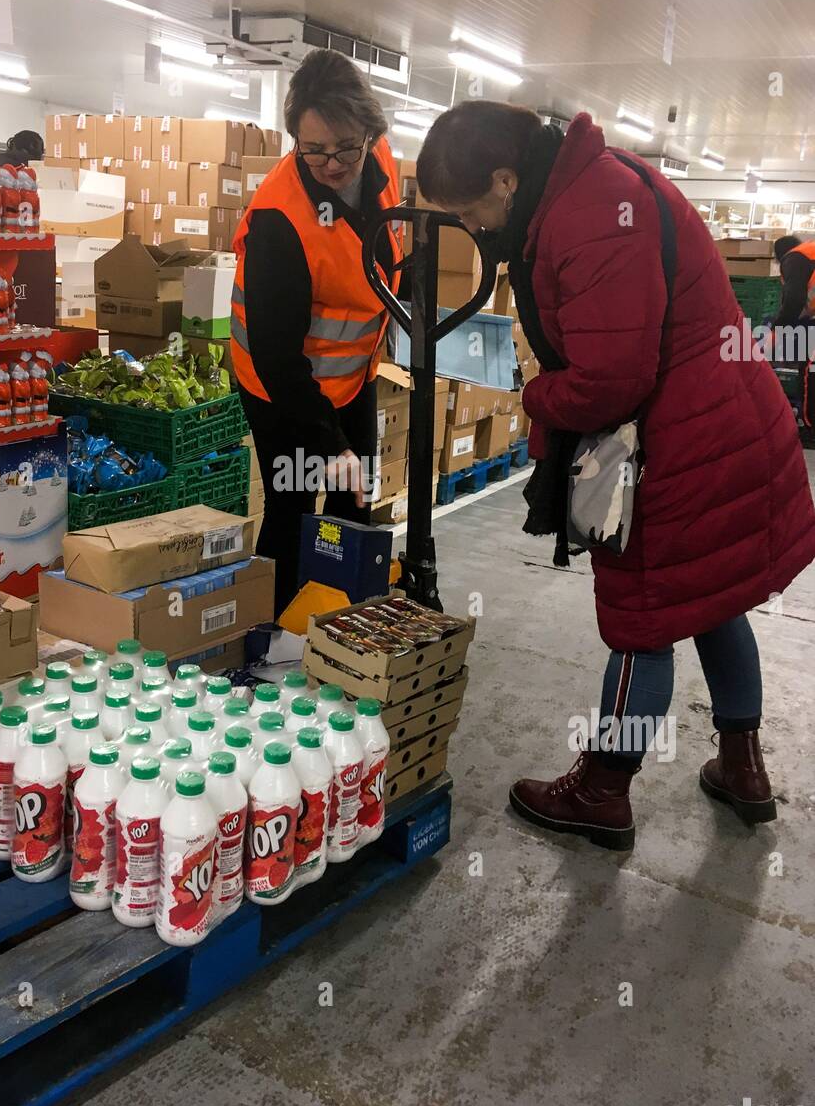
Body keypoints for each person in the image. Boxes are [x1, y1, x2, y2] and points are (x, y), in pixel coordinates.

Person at [416, 102, 815, 850]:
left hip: (680, 446)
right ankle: (742, 766)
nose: (471, 228)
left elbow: (611, 379)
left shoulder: (587, 216)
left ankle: (602, 790)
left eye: (471, 211)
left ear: (505, 179)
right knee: (714, 599)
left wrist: (535, 395)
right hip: (724, 423)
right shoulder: (589, 180)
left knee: (644, 615)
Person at [231, 49, 403, 615]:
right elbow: (280, 357)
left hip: (351, 375)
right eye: (313, 150)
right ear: (295, 140)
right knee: (294, 502)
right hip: (279, 383)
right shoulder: (280, 220)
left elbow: (389, 248)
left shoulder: (381, 162)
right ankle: (270, 635)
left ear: (369, 133)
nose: (331, 164)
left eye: (345, 148)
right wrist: (328, 444)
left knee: (357, 493)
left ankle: (337, 623)